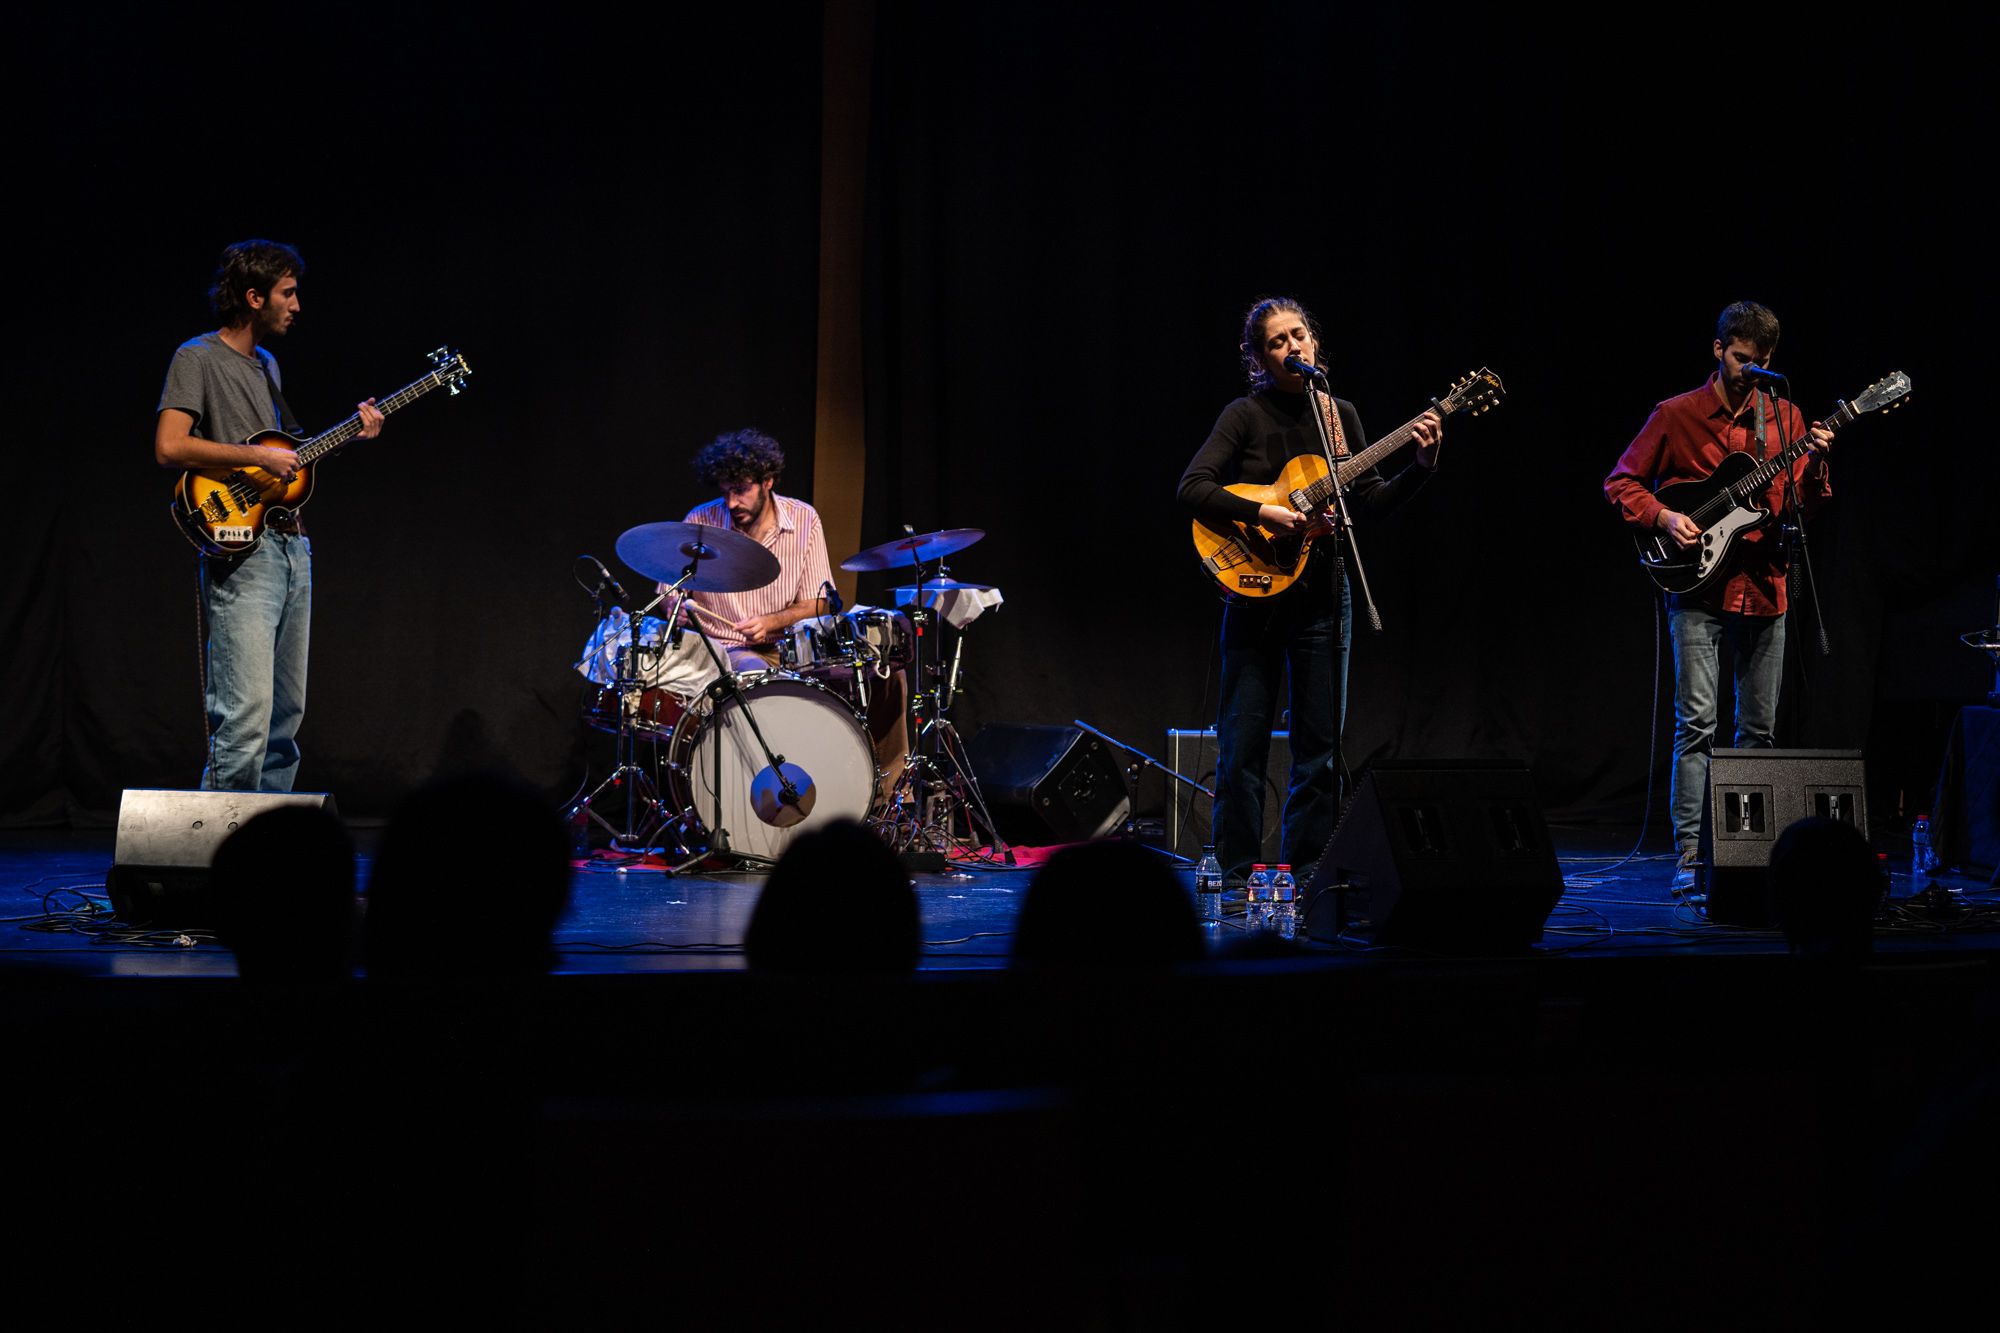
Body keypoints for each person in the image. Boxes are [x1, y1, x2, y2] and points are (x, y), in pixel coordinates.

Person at [1177, 297, 1441, 880]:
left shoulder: (1339, 415)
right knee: (1242, 745)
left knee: (1319, 753)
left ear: (1314, 343)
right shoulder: (1244, 415)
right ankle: (1238, 874)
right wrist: (1265, 513)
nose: (1292, 346)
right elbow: (1192, 488)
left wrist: (1419, 467)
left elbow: (1368, 500)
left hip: (1325, 594)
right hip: (1254, 596)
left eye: (1298, 335)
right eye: (1276, 342)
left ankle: (1307, 877)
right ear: (1259, 359)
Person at [1604, 300, 1833, 891]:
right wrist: (1662, 517)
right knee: (1697, 724)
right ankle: (1688, 856)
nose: (1747, 370)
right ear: (1718, 349)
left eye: (1759, 363)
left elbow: (1799, 509)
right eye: (1739, 359)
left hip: (1766, 587)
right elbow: (1620, 481)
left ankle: (1749, 852)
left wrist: (1814, 469)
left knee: (1759, 730)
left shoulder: (1787, 419)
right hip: (1697, 586)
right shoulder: (1676, 414)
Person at [154, 240, 384, 791]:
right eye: (287, 292)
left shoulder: (268, 365)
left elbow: (286, 466)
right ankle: (218, 857)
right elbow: (170, 447)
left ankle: (267, 851)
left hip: (291, 547)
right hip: (241, 550)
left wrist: (355, 429)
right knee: (245, 717)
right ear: (254, 297)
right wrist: (256, 455)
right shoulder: (198, 357)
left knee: (285, 719)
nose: (296, 304)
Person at [671, 428, 909, 798]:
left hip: (793, 649)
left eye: (741, 489)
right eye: (725, 491)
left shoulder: (804, 520)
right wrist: (678, 608)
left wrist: (774, 621)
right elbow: (670, 595)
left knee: (887, 676)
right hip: (729, 653)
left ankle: (887, 796)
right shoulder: (701, 522)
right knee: (764, 679)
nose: (732, 503)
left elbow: (823, 602)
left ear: (768, 481)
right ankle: (788, 797)